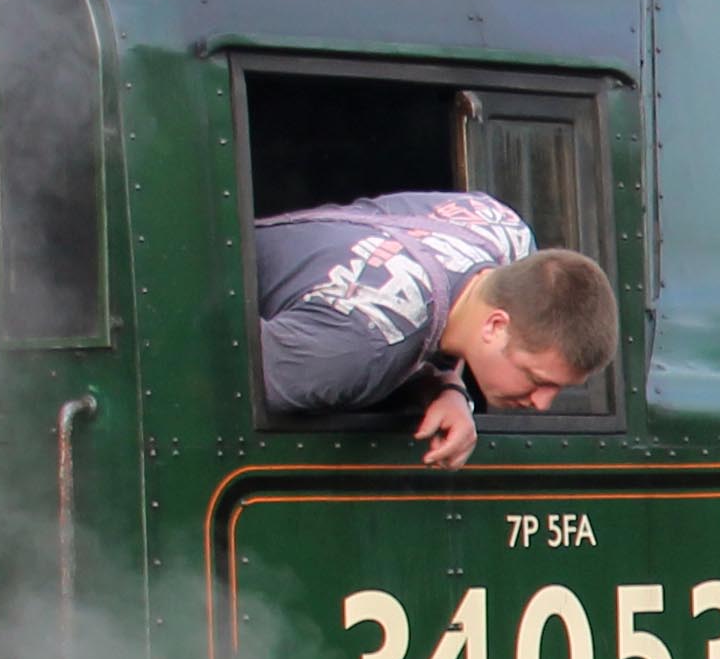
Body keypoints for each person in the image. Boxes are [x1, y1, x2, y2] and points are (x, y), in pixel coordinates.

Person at [251, 191, 617, 466]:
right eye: (536, 379)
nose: (542, 403)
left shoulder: (505, 230)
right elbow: (221, 380)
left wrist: (446, 386)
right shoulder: (358, 349)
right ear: (495, 325)